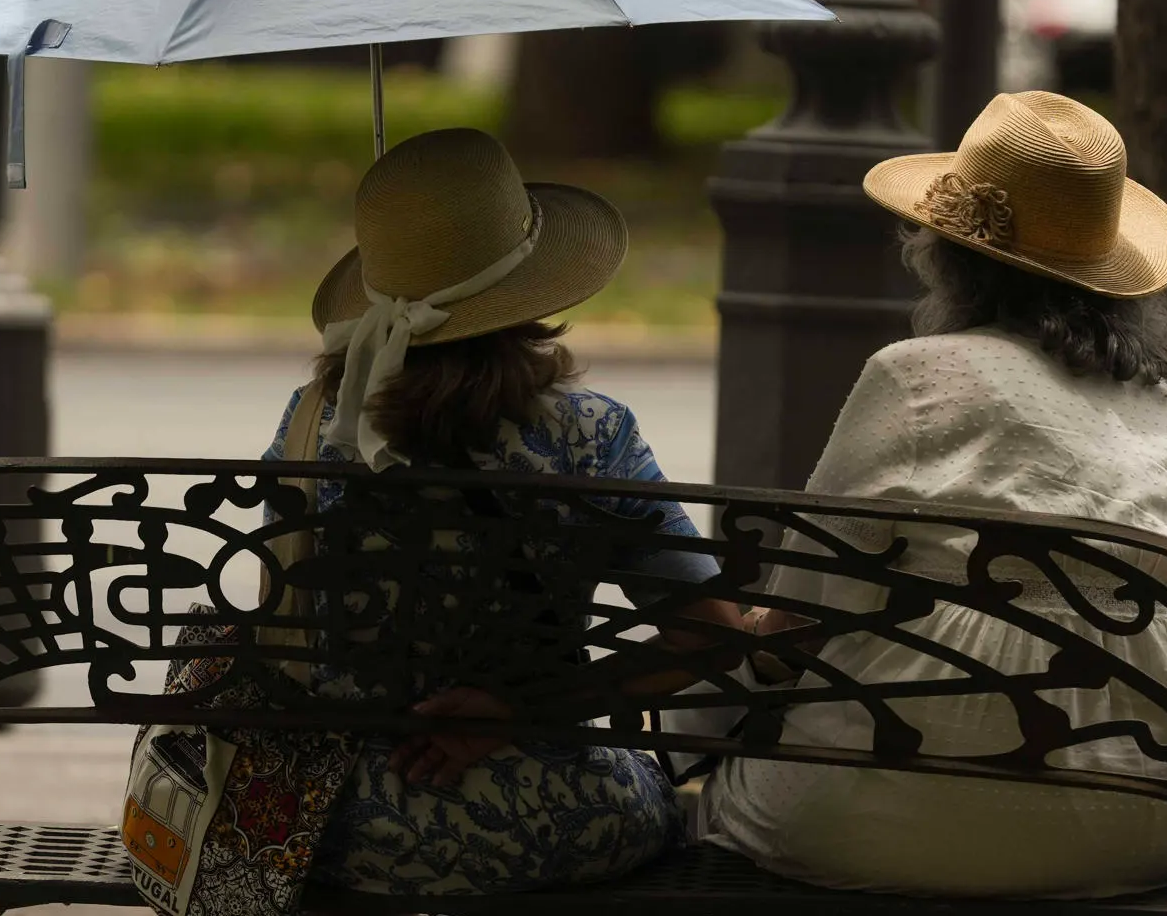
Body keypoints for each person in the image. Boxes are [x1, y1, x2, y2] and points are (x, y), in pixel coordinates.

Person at [133, 128, 740, 910]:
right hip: (556, 817)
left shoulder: (313, 419)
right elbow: (710, 632)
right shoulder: (591, 434)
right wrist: (517, 710)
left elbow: (290, 622)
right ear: (530, 282)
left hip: (329, 825)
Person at [696, 92, 1167, 899]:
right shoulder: (1165, 407)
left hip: (903, 810)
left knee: (726, 791)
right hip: (1156, 811)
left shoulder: (916, 379)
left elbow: (800, 615)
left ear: (949, 254)